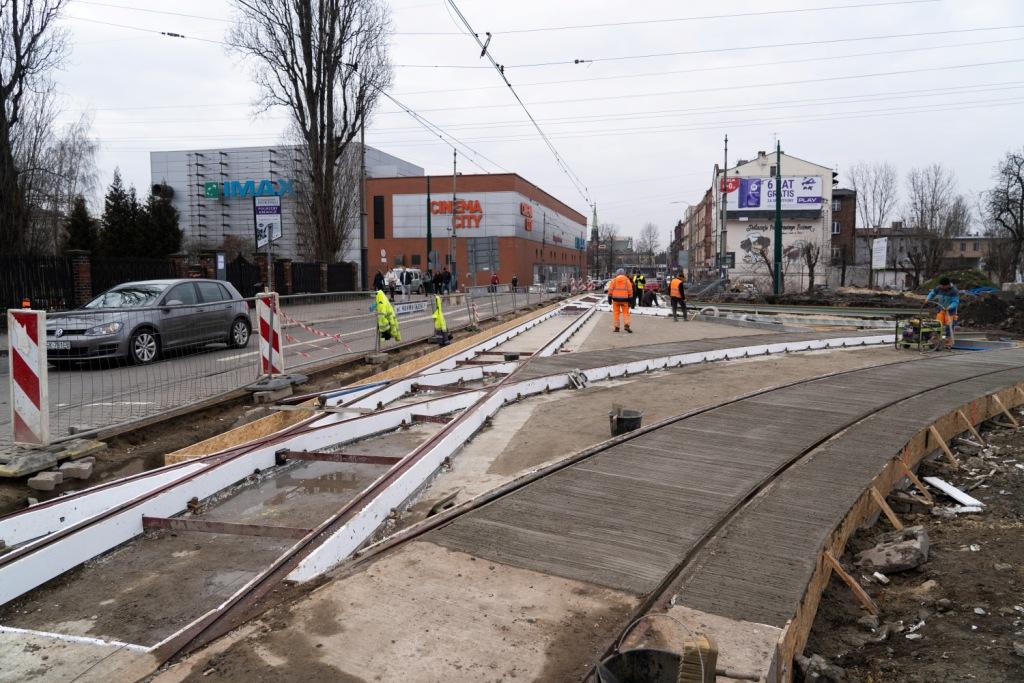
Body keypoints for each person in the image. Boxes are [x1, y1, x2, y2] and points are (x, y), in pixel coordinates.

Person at [927, 277, 960, 349]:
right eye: (941, 286)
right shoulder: (939, 288)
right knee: (937, 325)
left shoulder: (954, 291)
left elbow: (955, 302)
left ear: (947, 285)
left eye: (943, 286)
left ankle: (949, 343)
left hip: (950, 312)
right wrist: (928, 298)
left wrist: (949, 307)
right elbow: (932, 293)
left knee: (949, 327)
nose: (941, 287)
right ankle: (935, 341)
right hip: (940, 309)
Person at [607, 268, 634, 333]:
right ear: (623, 273)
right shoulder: (627, 280)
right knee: (626, 313)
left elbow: (610, 289)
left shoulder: (614, 280)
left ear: (617, 273)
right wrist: (630, 299)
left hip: (616, 300)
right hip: (625, 300)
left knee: (616, 313)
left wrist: (609, 297)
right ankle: (626, 325)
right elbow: (630, 290)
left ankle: (617, 327)